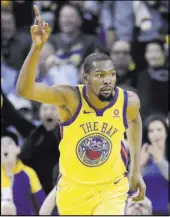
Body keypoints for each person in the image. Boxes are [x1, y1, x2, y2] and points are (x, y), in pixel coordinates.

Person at [16, 5, 146, 215]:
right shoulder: (69, 98)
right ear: (86, 78)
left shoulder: (127, 101)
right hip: (72, 189)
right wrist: (37, 48)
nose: (108, 81)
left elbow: (135, 120)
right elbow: (24, 89)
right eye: (100, 75)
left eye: (111, 75)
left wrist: (136, 169)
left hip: (111, 187)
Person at [1, 130, 46, 215]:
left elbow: (42, 202)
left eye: (9, 143)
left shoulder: (29, 173)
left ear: (17, 149)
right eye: (1, 144)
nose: (4, 147)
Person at [141, 114, 169, 215]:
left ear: (166, 132)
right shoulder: (142, 155)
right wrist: (139, 166)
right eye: (151, 131)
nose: (155, 134)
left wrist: (159, 160)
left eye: (159, 129)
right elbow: (131, 186)